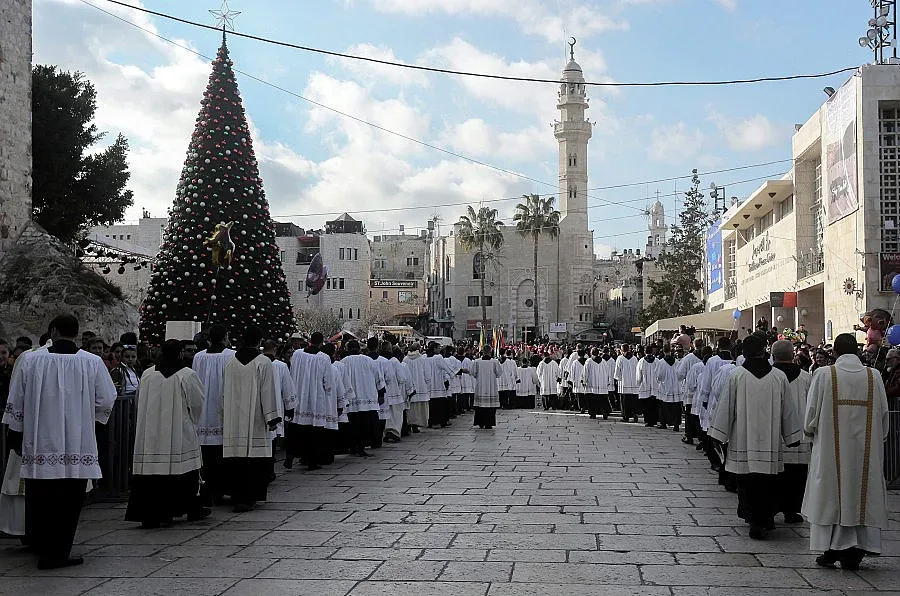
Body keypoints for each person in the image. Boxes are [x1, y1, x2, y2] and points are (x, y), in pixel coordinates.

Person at [2, 314, 117, 569]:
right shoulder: (92, 362)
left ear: (53, 331)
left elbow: (16, 399)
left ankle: (42, 547)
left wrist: (16, 432)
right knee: (70, 503)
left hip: (40, 443)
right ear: (76, 333)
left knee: (40, 500)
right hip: (77, 444)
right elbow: (107, 398)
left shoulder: (30, 360)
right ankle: (59, 553)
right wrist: (90, 422)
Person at [802, 333, 891, 570]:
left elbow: (811, 414)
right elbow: (884, 415)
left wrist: (810, 432)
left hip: (829, 451)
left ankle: (832, 548)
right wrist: (878, 438)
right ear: (858, 352)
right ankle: (859, 547)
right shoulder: (874, 376)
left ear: (834, 352)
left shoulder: (824, 374)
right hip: (866, 452)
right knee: (862, 493)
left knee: (831, 494)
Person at [709, 334, 802, 540]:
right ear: (764, 351)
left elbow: (726, 408)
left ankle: (753, 519)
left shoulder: (737, 375)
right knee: (768, 483)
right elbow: (788, 410)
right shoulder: (778, 377)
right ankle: (765, 518)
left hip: (743, 441)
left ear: (744, 352)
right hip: (770, 443)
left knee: (747, 483)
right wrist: (792, 436)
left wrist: (718, 434)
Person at [126, 339, 210, 528]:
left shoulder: (148, 374)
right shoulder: (187, 375)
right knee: (183, 468)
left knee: (151, 473)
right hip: (179, 431)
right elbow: (197, 403)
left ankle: (151, 513)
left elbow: (139, 402)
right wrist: (192, 420)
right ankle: (187, 508)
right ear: (180, 353)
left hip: (151, 433)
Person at [222, 326, 281, 512]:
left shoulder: (231, 363)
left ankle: (238, 496)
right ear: (259, 342)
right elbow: (268, 391)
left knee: (237, 461)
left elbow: (224, 392)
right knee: (255, 460)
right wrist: (272, 418)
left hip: (234, 419)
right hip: (256, 419)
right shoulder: (263, 362)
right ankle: (250, 497)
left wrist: (225, 414)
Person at [191, 324, 235, 505]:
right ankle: (222, 488)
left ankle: (208, 488)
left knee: (207, 454)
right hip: (223, 409)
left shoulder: (198, 357)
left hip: (203, 411)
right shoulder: (231, 356)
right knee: (222, 454)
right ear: (225, 337)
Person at [770, 339, 811, 525]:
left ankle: (771, 508)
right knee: (797, 476)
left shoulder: (768, 377)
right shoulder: (805, 378)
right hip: (799, 435)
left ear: (772, 356)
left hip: (774, 435)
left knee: (774, 476)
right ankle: (792, 511)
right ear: (793, 356)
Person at [289, 333, 335, 470]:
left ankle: (295, 455)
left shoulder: (297, 354)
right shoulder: (324, 358)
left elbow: (293, 371)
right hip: (316, 399)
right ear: (321, 343)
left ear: (309, 341)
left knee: (299, 428)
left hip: (299, 397)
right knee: (314, 432)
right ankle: (312, 461)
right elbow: (328, 383)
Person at [341, 340, 386, 456]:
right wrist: (381, 393)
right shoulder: (369, 360)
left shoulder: (343, 362)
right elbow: (378, 378)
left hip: (351, 399)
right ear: (359, 348)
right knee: (365, 423)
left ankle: (353, 446)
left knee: (353, 424)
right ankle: (363, 445)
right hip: (367, 396)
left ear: (347, 349)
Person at [471, 346, 502, 429]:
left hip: (480, 387)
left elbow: (473, 373)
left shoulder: (477, 361)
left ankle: (480, 422)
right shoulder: (495, 362)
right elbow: (499, 374)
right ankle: (489, 423)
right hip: (491, 387)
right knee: (490, 406)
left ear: (483, 351)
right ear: (490, 351)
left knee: (480, 405)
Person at [403, 343, 430, 432]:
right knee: (419, 408)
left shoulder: (405, 359)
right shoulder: (422, 359)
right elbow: (427, 374)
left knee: (411, 407)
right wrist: (428, 383)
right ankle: (417, 424)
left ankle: (410, 423)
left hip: (410, 386)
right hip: (421, 385)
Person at [582, 348, 611, 419]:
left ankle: (593, 414)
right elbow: (607, 372)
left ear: (591, 353)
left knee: (592, 401)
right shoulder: (603, 361)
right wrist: (607, 381)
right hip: (602, 384)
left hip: (592, 384)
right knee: (602, 400)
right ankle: (604, 412)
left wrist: (584, 381)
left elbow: (585, 372)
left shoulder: (589, 361)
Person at [615, 345, 640, 423]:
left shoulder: (620, 358)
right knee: (633, 400)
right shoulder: (634, 358)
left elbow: (617, 370)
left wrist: (617, 378)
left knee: (625, 401)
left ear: (622, 350)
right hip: (633, 384)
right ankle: (634, 414)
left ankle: (626, 416)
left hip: (624, 382)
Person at [636, 347, 659, 427]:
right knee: (654, 405)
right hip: (655, 385)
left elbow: (638, 375)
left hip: (645, 385)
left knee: (646, 405)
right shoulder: (656, 361)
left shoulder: (641, 361)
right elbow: (659, 373)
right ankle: (654, 420)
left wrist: (638, 384)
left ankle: (648, 421)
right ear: (652, 351)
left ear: (645, 352)